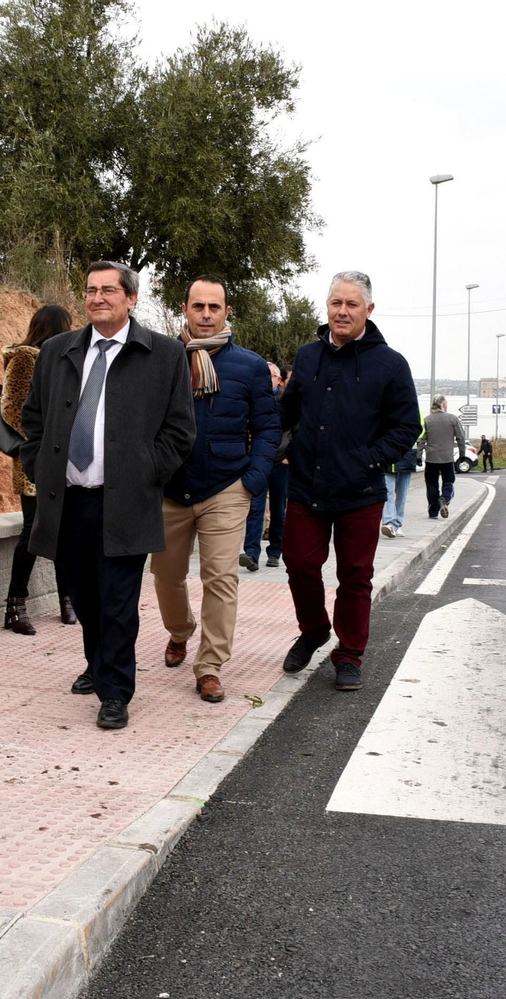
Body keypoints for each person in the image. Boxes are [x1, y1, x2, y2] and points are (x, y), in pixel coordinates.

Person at [19, 261, 195, 730]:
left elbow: (180, 430)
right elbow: (31, 419)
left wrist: (147, 471)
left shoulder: (164, 354)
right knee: (85, 598)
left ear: (131, 298)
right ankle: (97, 665)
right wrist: (39, 464)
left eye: (108, 290)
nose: (97, 298)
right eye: (90, 290)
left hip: (126, 501)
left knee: (118, 600)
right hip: (68, 499)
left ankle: (115, 691)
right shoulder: (56, 351)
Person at [280, 271, 420, 691]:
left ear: (369, 310)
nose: (342, 311)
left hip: (360, 492)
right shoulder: (308, 357)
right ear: (327, 307)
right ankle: (313, 631)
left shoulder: (390, 364)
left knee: (355, 578)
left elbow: (406, 426)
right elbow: (287, 412)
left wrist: (368, 461)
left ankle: (349, 655)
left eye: (352, 304)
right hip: (306, 486)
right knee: (299, 565)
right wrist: (279, 446)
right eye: (336, 303)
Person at [151, 277, 281, 703]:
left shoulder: (250, 366)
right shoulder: (160, 358)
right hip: (169, 488)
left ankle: (209, 666)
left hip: (226, 487)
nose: (206, 314)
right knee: (166, 576)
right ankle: (180, 631)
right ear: (184, 309)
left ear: (227, 312)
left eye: (214, 307)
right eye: (198, 306)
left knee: (221, 578)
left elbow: (268, 428)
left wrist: (253, 479)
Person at [0, 304, 77, 635]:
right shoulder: (24, 358)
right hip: (34, 460)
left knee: (63, 529)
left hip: (63, 460)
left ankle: (67, 599)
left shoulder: (63, 361)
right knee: (33, 529)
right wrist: (43, 444)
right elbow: (12, 409)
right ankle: (15, 606)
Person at [242, 362, 289, 571]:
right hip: (256, 461)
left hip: (280, 461)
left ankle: (275, 551)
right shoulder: (252, 398)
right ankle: (251, 553)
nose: (266, 379)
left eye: (270, 375)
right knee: (255, 506)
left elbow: (295, 428)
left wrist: (289, 454)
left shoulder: (286, 401)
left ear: (278, 379)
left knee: (278, 509)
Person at [423, 395, 467, 519]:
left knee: (431, 484)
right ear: (444, 405)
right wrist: (462, 455)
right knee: (448, 481)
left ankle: (433, 512)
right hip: (447, 458)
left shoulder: (427, 420)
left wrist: (418, 455)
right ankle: (445, 499)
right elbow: (461, 438)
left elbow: (421, 439)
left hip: (431, 458)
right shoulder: (452, 419)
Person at [379, 426, 418, 539]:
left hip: (406, 458)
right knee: (388, 492)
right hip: (388, 459)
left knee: (402, 495)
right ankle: (389, 523)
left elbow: (419, 431)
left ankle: (397, 524)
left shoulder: (411, 415)